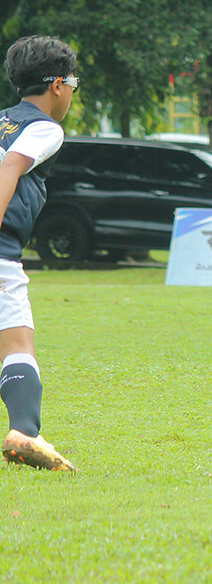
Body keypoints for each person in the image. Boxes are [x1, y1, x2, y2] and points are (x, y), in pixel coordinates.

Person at [0, 36, 78, 471]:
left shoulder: (1, 121)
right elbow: (10, 168)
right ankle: (25, 432)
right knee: (17, 345)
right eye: (73, 83)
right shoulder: (45, 128)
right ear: (57, 86)